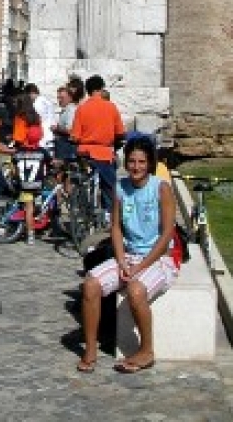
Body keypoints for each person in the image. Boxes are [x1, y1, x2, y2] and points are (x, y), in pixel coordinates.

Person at [77, 135, 178, 373]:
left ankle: (146, 351)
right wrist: (122, 260)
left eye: (142, 162)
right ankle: (90, 348)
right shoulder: (120, 188)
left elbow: (166, 237)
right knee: (91, 285)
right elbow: (116, 227)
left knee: (135, 290)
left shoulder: (161, 189)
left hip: (158, 258)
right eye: (131, 161)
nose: (136, 167)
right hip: (129, 255)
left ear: (150, 163)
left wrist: (139, 269)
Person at [70, 74, 126, 211]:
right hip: (104, 153)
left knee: (82, 180)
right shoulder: (111, 107)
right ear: (101, 89)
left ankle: (82, 207)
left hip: (84, 153)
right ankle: (109, 214)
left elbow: (75, 136)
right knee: (110, 187)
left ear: (88, 91)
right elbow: (120, 133)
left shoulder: (81, 109)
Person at [13, 124, 52, 246]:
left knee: (29, 208)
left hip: (24, 184)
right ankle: (31, 234)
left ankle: (32, 233)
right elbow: (50, 163)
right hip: (37, 184)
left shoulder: (19, 151)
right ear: (40, 138)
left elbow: (14, 167)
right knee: (30, 209)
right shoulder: (42, 152)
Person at [24, 82, 56, 152]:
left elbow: (35, 120)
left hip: (42, 137)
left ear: (31, 93)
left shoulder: (37, 104)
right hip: (49, 135)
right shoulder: (46, 100)